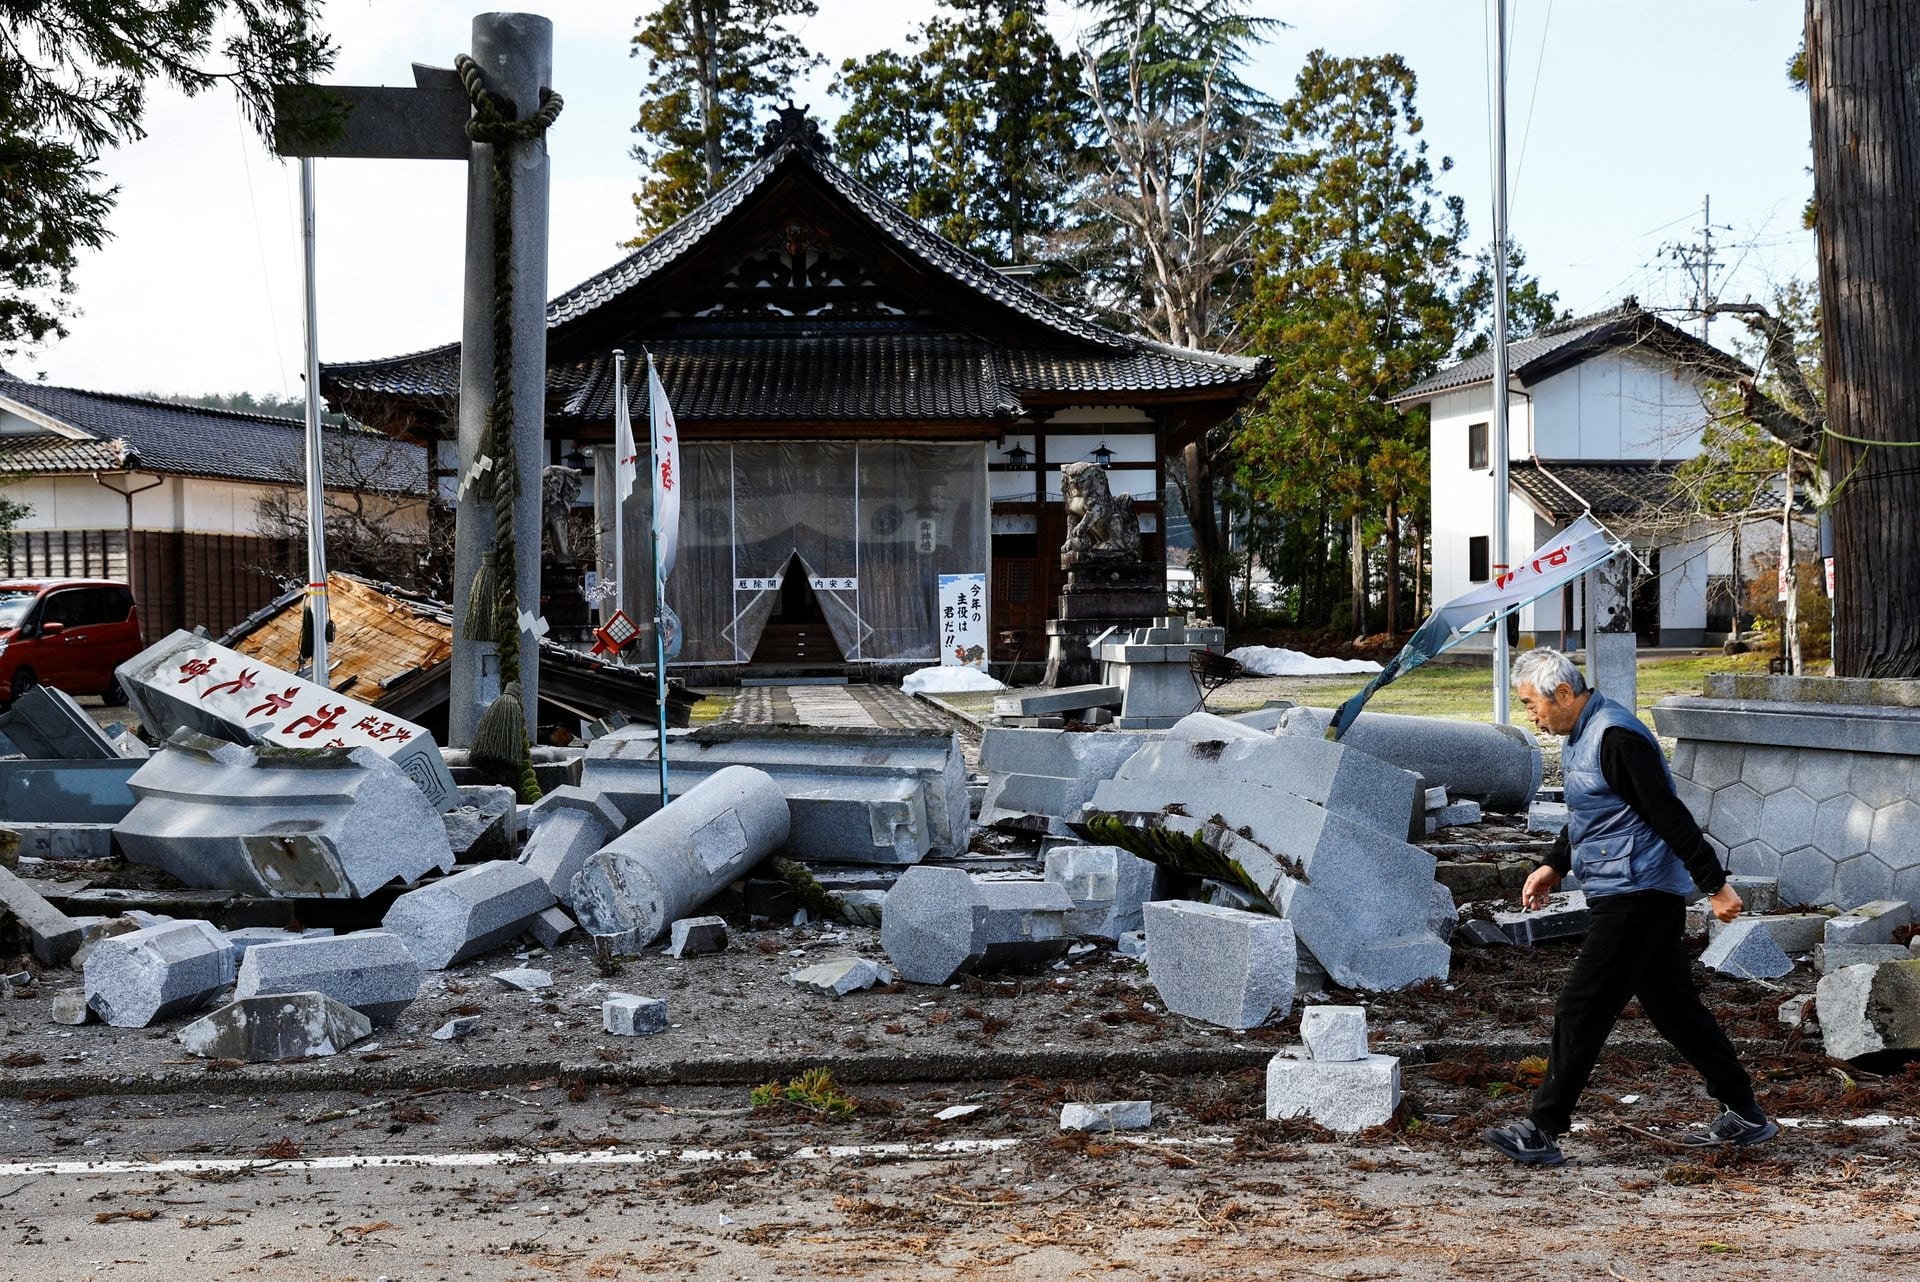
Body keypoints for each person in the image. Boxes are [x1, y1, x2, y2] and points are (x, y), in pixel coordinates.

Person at [1482, 648, 1778, 1166]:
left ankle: (1543, 1129)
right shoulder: (1582, 734)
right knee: (1674, 1009)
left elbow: (1668, 814)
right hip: (1628, 890)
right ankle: (1745, 1112)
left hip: (1637, 894)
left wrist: (1714, 884)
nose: (1530, 715)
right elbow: (1591, 813)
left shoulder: (1616, 736)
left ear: (1565, 695)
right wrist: (1554, 865)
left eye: (1532, 704)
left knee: (1582, 1005)